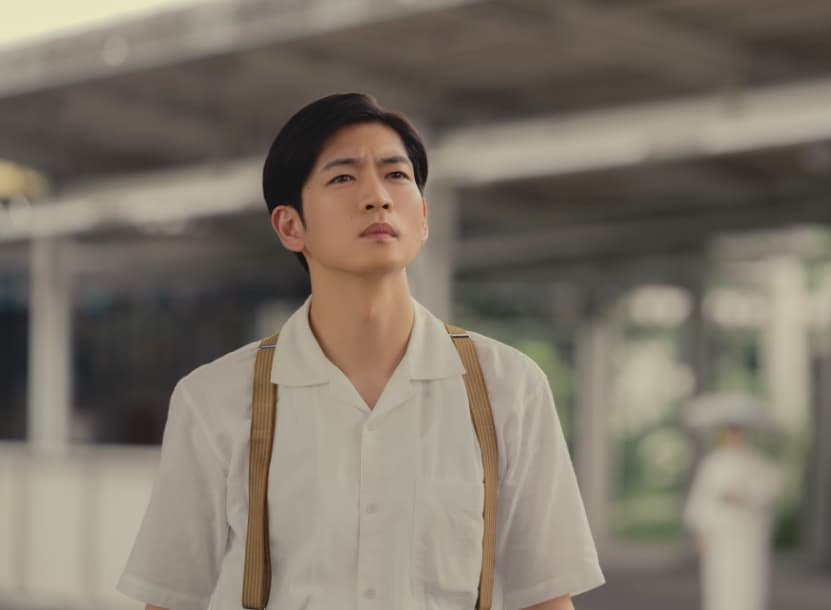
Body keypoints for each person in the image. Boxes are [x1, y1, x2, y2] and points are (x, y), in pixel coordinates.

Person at [116, 93, 605, 610]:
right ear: (290, 226)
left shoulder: (509, 387)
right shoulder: (213, 400)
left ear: (423, 217)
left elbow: (546, 600)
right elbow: (171, 599)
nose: (377, 197)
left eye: (396, 175)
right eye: (343, 178)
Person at [683, 423, 781, 610]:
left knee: (748, 582)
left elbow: (769, 491)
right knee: (721, 581)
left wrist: (745, 495)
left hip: (747, 533)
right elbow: (701, 496)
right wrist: (701, 531)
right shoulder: (714, 462)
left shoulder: (756, 461)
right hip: (721, 533)